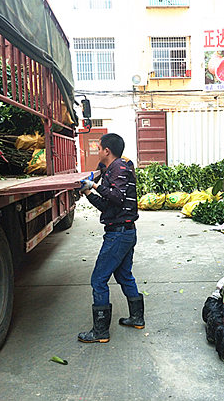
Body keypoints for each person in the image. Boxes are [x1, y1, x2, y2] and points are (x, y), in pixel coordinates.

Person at [78, 133, 144, 343]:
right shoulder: (112, 171)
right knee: (124, 276)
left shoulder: (120, 168)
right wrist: (88, 194)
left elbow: (116, 196)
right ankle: (136, 318)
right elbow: (108, 205)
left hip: (119, 234)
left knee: (98, 280)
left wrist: (95, 186)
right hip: (122, 231)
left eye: (99, 148)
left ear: (107, 150)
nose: (97, 151)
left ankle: (100, 332)